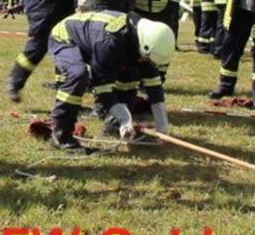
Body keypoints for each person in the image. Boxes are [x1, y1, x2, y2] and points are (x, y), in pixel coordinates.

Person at [40, 10, 175, 154]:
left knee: (131, 77)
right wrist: (125, 118)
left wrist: (162, 127)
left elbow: (154, 87)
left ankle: (114, 126)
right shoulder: (108, 41)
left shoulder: (144, 40)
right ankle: (61, 135)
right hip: (65, 37)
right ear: (144, 48)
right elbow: (102, 88)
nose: (147, 64)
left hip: (98, 41)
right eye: (148, 60)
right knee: (77, 75)